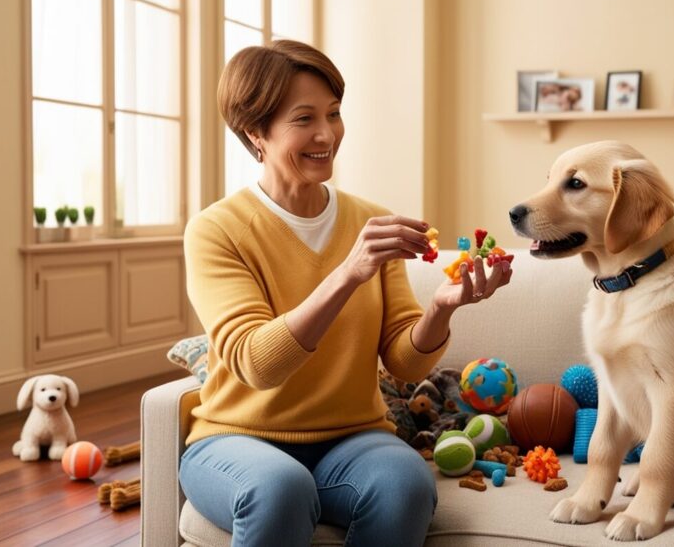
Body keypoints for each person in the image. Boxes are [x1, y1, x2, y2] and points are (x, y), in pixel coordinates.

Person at [180, 39, 513, 547]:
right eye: (304, 119)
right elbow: (256, 363)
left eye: (334, 114)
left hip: (352, 439)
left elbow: (405, 363)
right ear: (256, 133)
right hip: (235, 439)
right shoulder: (216, 230)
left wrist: (442, 309)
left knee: (406, 486)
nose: (326, 134)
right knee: (280, 487)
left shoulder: (367, 219)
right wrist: (347, 273)